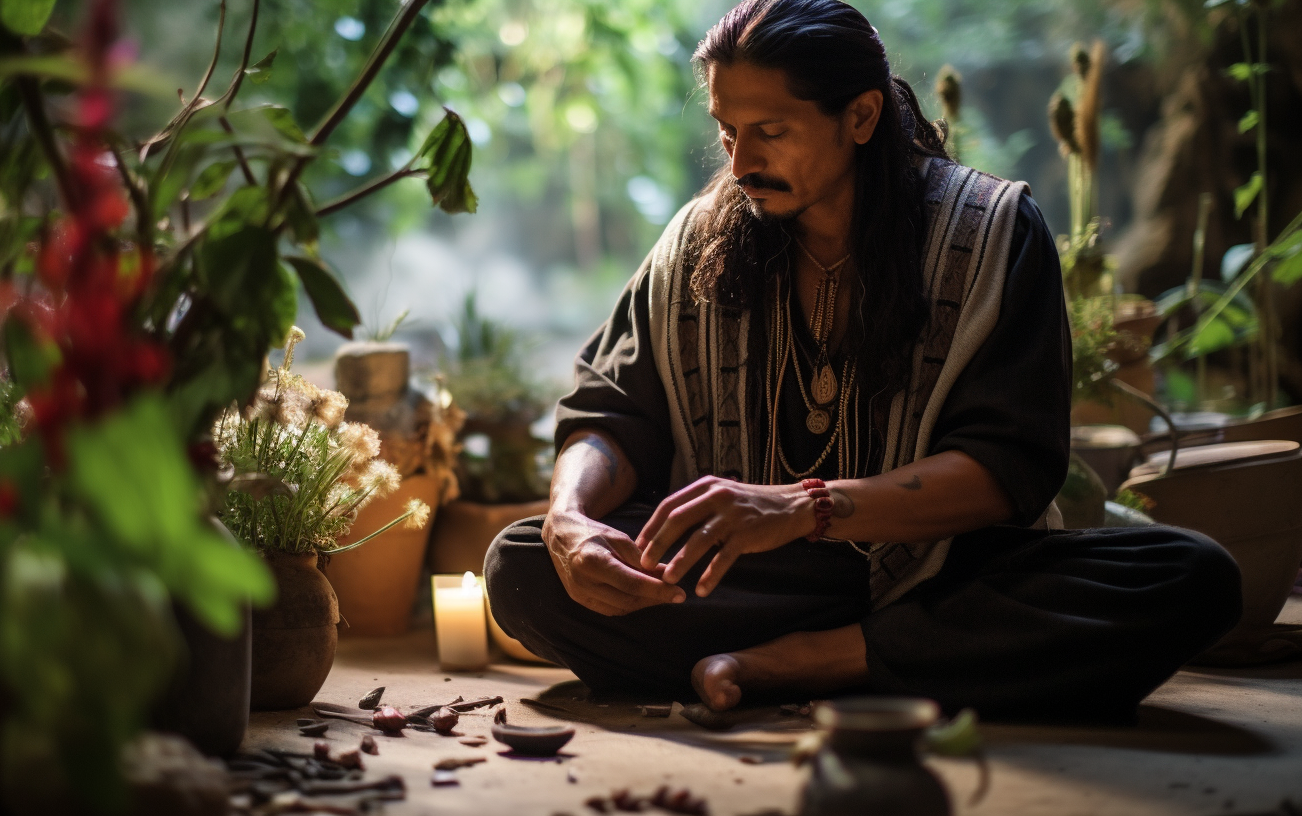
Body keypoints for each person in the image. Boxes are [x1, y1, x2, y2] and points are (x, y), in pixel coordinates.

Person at [484, 0, 1242, 722]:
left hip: (949, 572)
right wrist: (569, 518)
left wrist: (798, 508)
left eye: (770, 130)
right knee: (522, 567)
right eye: (726, 130)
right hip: (757, 584)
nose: (740, 161)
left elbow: (1006, 468)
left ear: (862, 116)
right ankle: (908, 659)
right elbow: (612, 412)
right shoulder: (698, 241)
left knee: (1190, 578)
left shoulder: (992, 233)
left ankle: (806, 663)